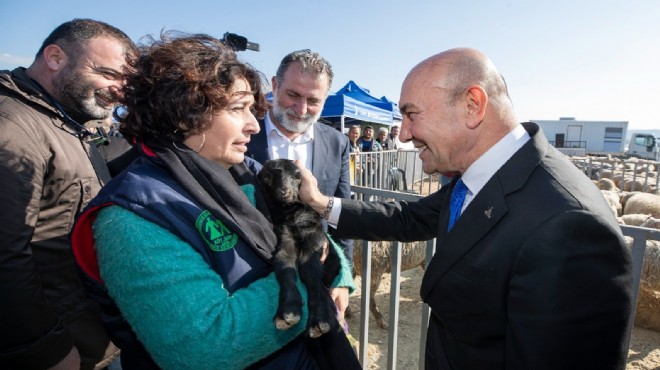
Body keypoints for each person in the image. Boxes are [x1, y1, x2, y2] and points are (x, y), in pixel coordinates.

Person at [297, 48, 633, 369]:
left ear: (472, 106)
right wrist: (321, 204)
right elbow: (408, 218)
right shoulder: (483, 176)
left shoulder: (570, 225)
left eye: (412, 114)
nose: (403, 135)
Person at [71, 33, 359, 370]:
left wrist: (338, 275)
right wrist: (312, 277)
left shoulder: (245, 172)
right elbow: (204, 348)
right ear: (185, 112)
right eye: (239, 109)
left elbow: (310, 230)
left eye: (253, 109)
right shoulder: (130, 219)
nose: (254, 125)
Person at [0, 19, 136, 370]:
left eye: (125, 81)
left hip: (88, 334)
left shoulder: (68, 119)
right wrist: (46, 349)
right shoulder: (12, 127)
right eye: (108, 74)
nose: (119, 89)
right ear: (56, 57)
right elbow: (6, 257)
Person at [246, 49, 354, 321]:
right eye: (293, 95)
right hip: (252, 281)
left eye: (313, 100)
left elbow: (341, 212)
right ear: (274, 85)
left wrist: (343, 276)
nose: (302, 109)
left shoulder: (337, 142)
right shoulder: (242, 135)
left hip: (317, 275)